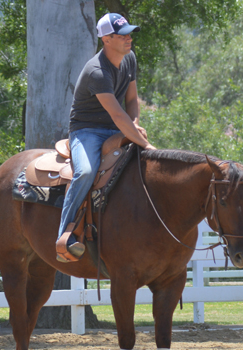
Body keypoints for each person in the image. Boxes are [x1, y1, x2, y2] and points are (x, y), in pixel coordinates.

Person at [56, 12, 156, 262]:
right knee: (87, 172)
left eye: (129, 33)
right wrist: (145, 143)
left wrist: (135, 124)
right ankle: (64, 238)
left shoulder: (129, 58)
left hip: (117, 127)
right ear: (107, 40)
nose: (129, 38)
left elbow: (131, 101)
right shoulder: (97, 71)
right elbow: (116, 113)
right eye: (122, 35)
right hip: (87, 130)